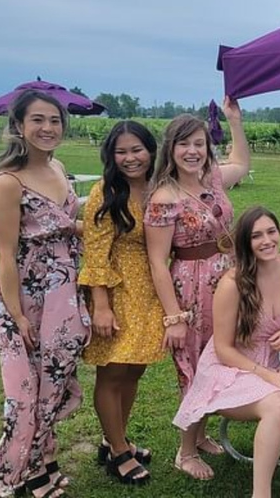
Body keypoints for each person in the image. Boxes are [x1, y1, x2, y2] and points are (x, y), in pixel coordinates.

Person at [174, 206, 280, 496]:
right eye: (256, 236)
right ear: (244, 242)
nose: (267, 240)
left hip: (270, 366)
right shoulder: (233, 283)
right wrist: (264, 374)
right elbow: (223, 349)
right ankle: (260, 493)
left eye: (271, 232)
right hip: (229, 368)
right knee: (278, 404)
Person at [0, 90, 90, 498]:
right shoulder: (7, 183)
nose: (48, 128)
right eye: (38, 121)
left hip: (64, 294)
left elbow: (62, 225)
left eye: (55, 120)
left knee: (53, 384)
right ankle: (9, 475)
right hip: (24, 298)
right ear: (18, 126)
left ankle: (41, 462)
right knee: (23, 396)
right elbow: (6, 257)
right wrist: (18, 316)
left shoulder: (60, 167)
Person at [144, 97, 250, 480]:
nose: (192, 151)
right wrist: (174, 318)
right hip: (191, 287)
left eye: (199, 144)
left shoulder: (213, 179)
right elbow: (158, 261)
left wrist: (234, 121)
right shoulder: (164, 197)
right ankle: (185, 452)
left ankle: (201, 434)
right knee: (195, 367)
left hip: (226, 280)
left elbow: (243, 162)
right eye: (184, 144)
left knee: (218, 357)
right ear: (171, 149)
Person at [79, 121, 163, 486]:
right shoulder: (106, 192)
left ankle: (116, 437)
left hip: (151, 291)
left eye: (137, 149)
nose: (130, 158)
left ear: (150, 150)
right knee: (113, 371)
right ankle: (117, 452)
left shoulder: (160, 187)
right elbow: (95, 252)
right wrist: (100, 304)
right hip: (116, 290)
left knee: (135, 369)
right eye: (121, 151)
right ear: (111, 156)